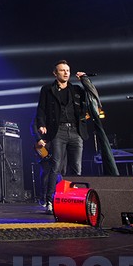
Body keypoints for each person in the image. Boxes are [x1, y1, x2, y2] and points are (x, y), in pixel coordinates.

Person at [33, 60, 92, 215]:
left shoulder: (77, 90)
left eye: (67, 70)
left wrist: (85, 80)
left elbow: (91, 96)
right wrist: (41, 124)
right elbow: (41, 109)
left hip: (75, 131)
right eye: (62, 70)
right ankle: (50, 201)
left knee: (76, 167)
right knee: (56, 165)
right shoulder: (47, 90)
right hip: (58, 130)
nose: (66, 73)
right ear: (55, 73)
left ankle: (75, 199)